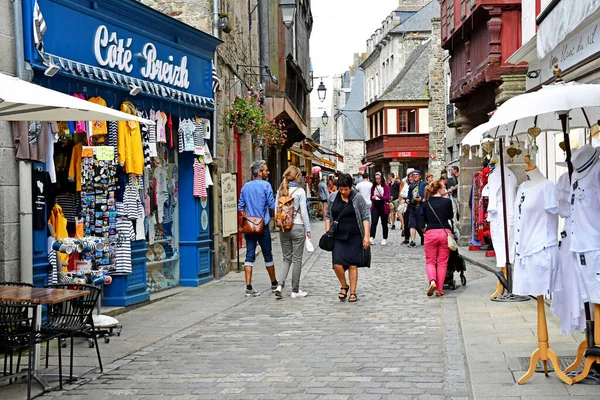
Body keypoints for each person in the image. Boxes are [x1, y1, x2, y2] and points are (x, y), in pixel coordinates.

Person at [326, 173, 370, 303]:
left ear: (351, 187)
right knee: (337, 264)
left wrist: (366, 236)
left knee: (352, 264)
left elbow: (365, 217)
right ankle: (344, 285)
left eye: (346, 189)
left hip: (354, 236)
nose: (344, 192)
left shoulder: (358, 198)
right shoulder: (333, 197)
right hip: (338, 236)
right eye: (341, 189)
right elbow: (328, 215)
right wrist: (328, 232)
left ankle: (353, 292)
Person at [238, 160, 278, 297]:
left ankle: (248, 287)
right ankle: (274, 284)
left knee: (249, 255)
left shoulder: (245, 187)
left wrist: (247, 216)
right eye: (266, 170)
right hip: (263, 225)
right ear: (259, 172)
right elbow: (272, 205)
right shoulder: (266, 186)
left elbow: (240, 207)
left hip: (249, 226)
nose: (268, 172)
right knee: (268, 255)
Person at [274, 166, 311, 299]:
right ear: (296, 177)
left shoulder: (281, 190)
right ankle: (295, 290)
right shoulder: (300, 191)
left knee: (286, 258)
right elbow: (305, 212)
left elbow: (275, 211)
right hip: (297, 227)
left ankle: (279, 285)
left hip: (284, 228)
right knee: (297, 260)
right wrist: (308, 229)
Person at [422, 179, 454, 297]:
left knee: (430, 261)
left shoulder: (426, 203)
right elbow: (450, 216)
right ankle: (440, 289)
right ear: (440, 190)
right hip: (445, 232)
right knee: (442, 263)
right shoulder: (446, 202)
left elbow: (423, 220)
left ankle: (432, 281)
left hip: (431, 232)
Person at [407, 170, 427, 247]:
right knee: (412, 225)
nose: (415, 176)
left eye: (416, 174)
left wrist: (421, 199)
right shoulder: (411, 185)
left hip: (421, 208)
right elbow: (409, 196)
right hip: (412, 207)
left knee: (421, 226)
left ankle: (427, 237)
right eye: (413, 175)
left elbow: (427, 196)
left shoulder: (424, 184)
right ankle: (412, 241)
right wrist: (407, 200)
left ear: (420, 176)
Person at [370, 172, 391, 246]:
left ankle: (384, 238)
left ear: (381, 178)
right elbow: (371, 196)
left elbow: (387, 197)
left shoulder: (386, 186)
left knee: (384, 223)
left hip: (383, 205)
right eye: (376, 179)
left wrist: (380, 196)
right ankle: (372, 237)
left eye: (379, 178)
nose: (377, 180)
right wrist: (372, 197)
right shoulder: (373, 186)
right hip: (375, 205)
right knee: (374, 222)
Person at [401, 168, 414, 245]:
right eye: (409, 177)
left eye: (412, 177)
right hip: (407, 205)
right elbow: (402, 193)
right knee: (406, 222)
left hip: (415, 205)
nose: (410, 178)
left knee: (416, 223)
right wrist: (407, 197)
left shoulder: (417, 185)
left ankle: (423, 236)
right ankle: (406, 238)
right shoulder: (406, 185)